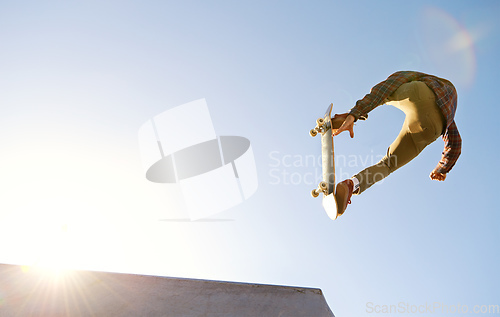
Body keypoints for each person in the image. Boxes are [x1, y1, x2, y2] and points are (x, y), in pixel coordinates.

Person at [333, 71, 461, 216]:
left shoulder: (413, 77)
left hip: (420, 93)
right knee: (388, 165)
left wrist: (355, 113)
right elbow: (455, 145)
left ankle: (347, 117)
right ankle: (351, 184)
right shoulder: (449, 117)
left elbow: (385, 88)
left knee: (385, 94)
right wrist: (441, 169)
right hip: (435, 127)